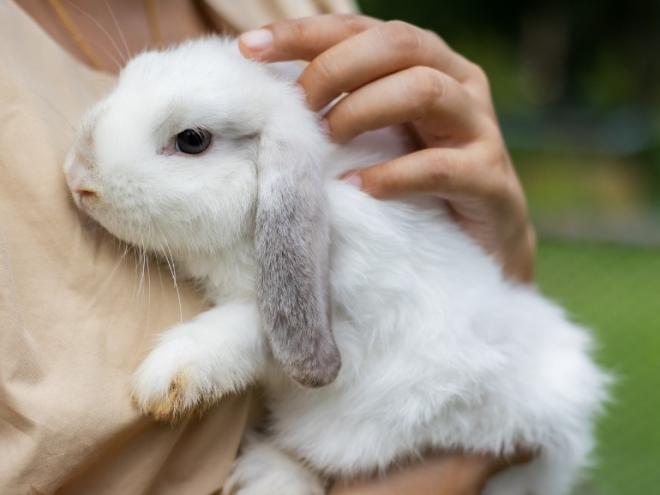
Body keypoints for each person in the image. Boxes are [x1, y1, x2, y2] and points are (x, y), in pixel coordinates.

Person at [0, 1, 535, 493]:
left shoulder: (299, 10)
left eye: (190, 141)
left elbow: (488, 354)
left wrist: (505, 238)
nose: (79, 178)